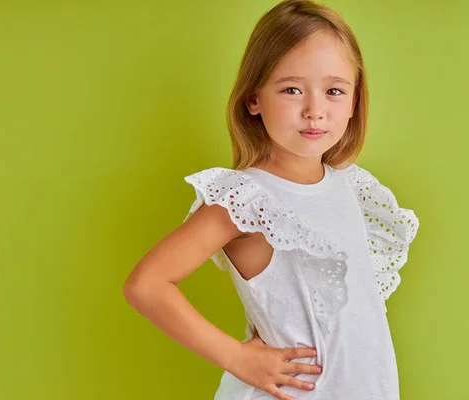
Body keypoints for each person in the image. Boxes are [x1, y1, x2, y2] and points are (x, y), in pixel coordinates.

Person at [122, 0, 420, 399]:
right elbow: (146, 284)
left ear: (353, 102)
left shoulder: (352, 186)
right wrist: (237, 357)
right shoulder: (245, 199)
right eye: (292, 89)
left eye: (334, 90)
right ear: (254, 99)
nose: (315, 111)